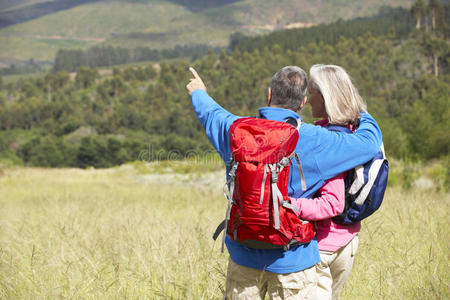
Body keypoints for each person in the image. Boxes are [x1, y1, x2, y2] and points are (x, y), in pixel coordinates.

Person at [186, 66, 382, 300]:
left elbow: (209, 113)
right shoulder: (317, 140)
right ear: (303, 103)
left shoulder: (235, 130)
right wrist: (358, 108)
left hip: (243, 257)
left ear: (269, 94)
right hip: (294, 262)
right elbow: (369, 143)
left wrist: (198, 92)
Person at [290, 64, 367, 300]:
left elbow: (333, 203)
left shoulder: (328, 140)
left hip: (323, 246)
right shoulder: (356, 132)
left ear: (325, 97)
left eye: (312, 92)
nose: (307, 99)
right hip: (348, 240)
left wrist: (290, 204)